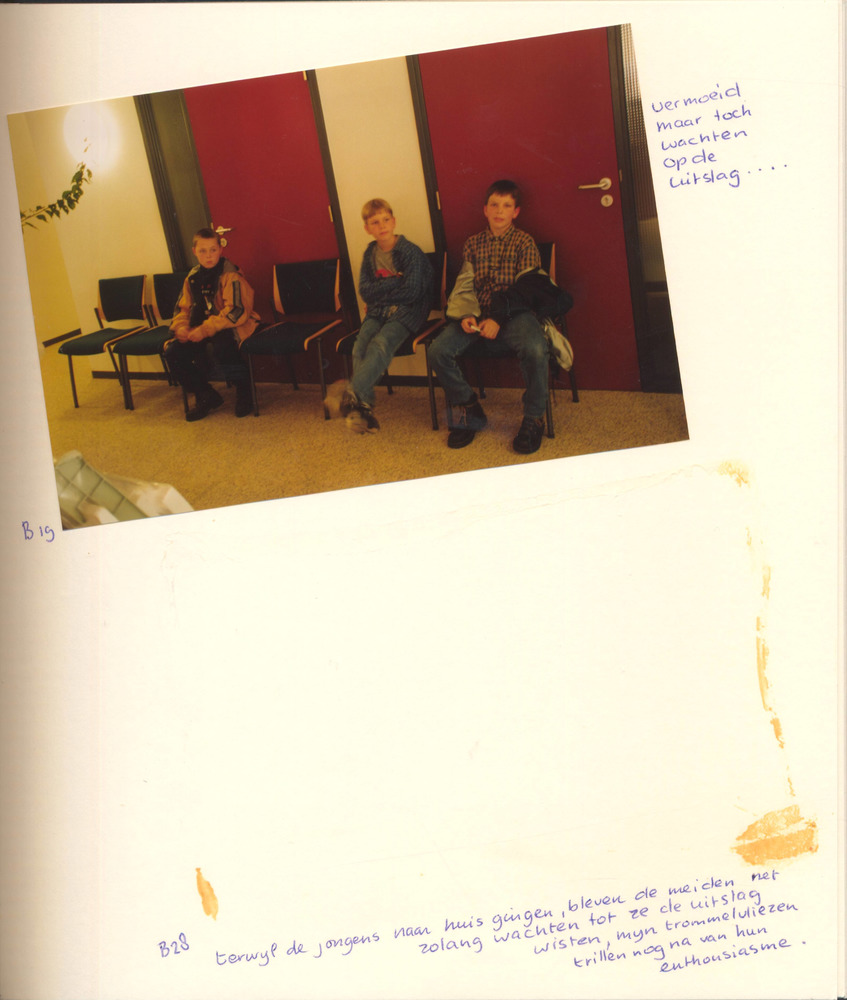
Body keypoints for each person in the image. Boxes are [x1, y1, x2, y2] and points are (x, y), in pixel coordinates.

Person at [428, 179, 550, 454]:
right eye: (494, 205)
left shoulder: (524, 242)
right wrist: (465, 314)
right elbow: (465, 285)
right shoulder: (473, 244)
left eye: (506, 206)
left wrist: (497, 318)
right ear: (485, 210)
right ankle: (470, 408)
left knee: (535, 348)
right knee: (438, 350)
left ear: (515, 212)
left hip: (515, 314)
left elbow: (527, 289)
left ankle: (534, 417)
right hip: (478, 313)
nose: (499, 211)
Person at [329, 198, 432, 433]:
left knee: (380, 344)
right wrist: (395, 280)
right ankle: (363, 408)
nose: (382, 225)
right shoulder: (370, 253)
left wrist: (380, 292)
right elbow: (365, 291)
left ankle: (352, 394)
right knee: (360, 346)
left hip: (407, 312)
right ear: (367, 228)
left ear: (393, 222)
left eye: (386, 220)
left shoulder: (410, 252)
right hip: (377, 312)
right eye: (375, 222)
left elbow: (412, 292)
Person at [166, 229, 261, 421]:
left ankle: (244, 391)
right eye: (203, 251)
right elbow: (182, 308)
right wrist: (181, 327)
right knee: (173, 352)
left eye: (213, 250)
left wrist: (205, 329)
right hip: (201, 326)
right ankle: (206, 395)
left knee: (223, 346)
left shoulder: (230, 274)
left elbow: (236, 311)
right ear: (194, 251)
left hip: (231, 324)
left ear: (220, 250)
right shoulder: (192, 277)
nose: (208, 256)